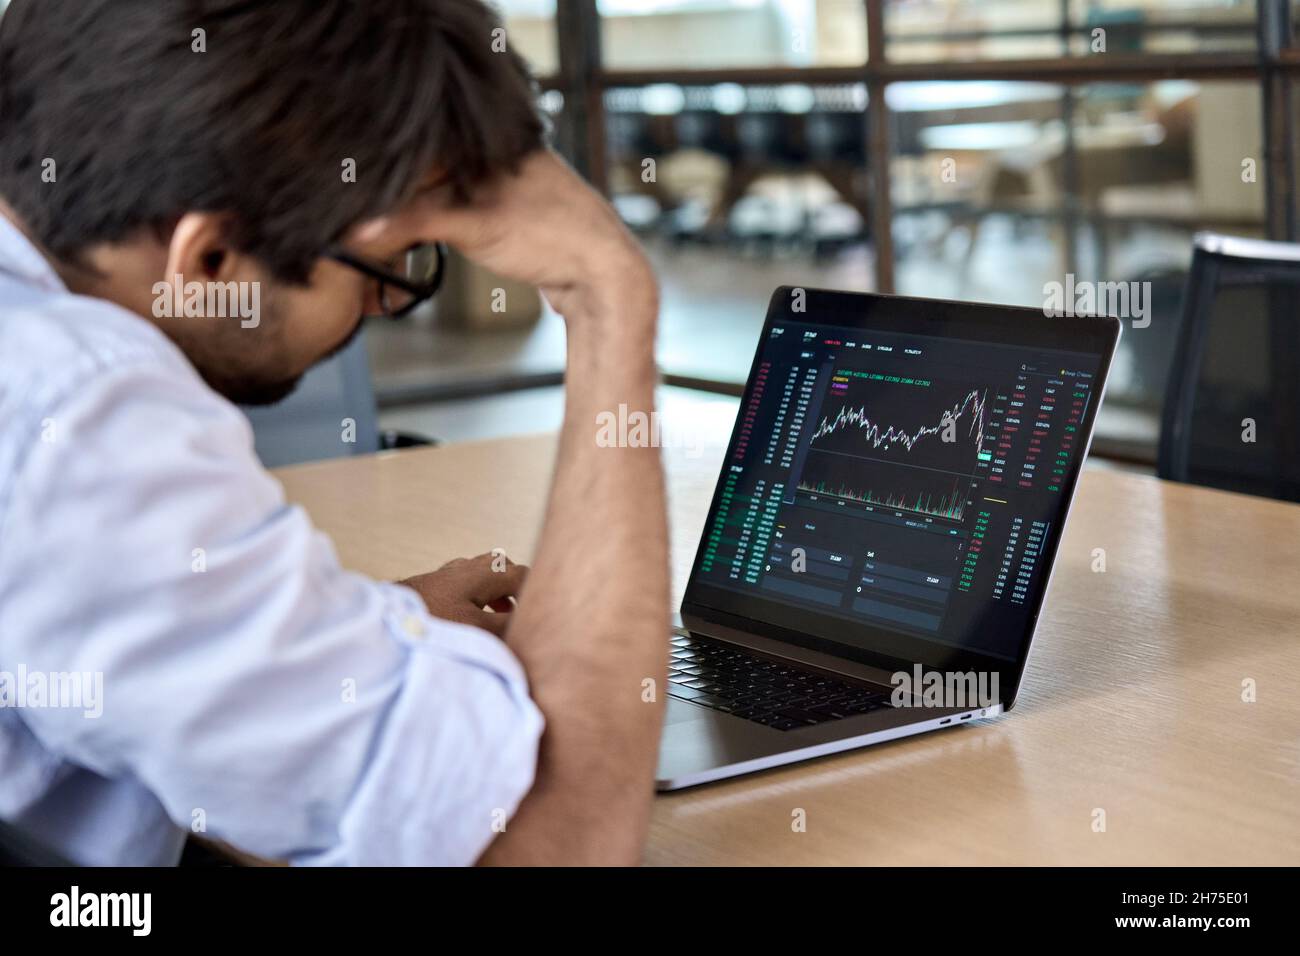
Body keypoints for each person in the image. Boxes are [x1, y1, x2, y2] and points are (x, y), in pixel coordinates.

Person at [0, 0, 668, 865]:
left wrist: (331, 641)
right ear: (208, 264)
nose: (390, 303)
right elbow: (552, 841)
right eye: (384, 268)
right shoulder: (86, 418)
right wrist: (606, 293)